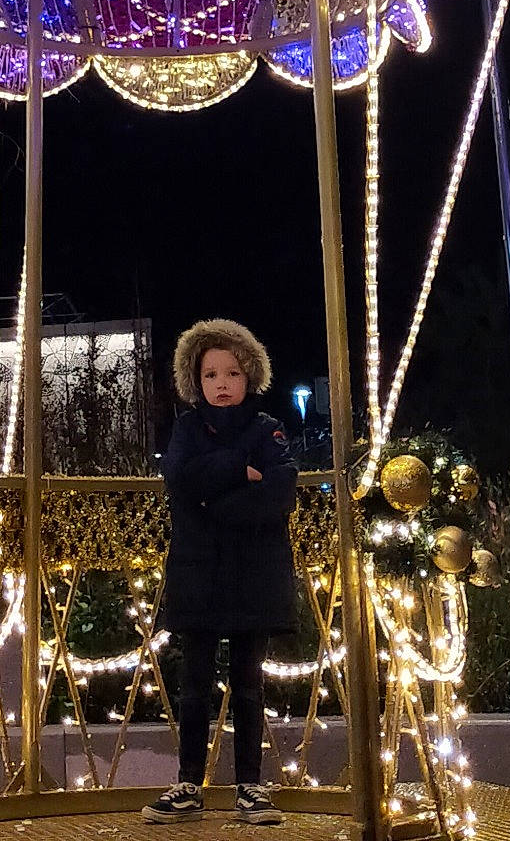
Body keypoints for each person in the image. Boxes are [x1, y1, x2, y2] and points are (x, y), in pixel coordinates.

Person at [144, 318, 297, 826]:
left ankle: (251, 785)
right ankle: (189, 783)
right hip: (200, 573)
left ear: (250, 375)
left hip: (253, 575)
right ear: (197, 380)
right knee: (194, 682)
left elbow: (278, 494)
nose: (222, 383)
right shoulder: (188, 429)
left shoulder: (267, 428)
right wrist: (239, 473)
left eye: (232, 373)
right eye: (211, 375)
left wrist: (214, 499)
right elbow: (179, 480)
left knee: (248, 684)